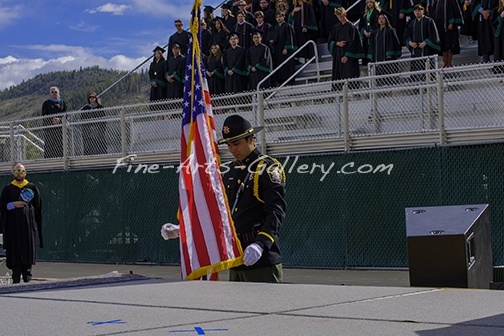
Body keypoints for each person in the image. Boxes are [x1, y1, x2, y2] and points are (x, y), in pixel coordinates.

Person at [161, 115, 286, 283]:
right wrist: (185, 229)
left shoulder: (268, 167)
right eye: (229, 144)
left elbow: (276, 212)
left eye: (236, 143)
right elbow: (220, 211)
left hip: (260, 258)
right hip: (235, 257)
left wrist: (261, 243)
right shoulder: (230, 170)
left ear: (250, 139)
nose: (232, 149)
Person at [0, 163, 43, 284]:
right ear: (13, 173)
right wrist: (13, 205)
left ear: (25, 173)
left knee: (27, 253)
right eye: (16, 171)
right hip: (13, 228)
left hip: (28, 227)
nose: (19, 173)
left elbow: (38, 207)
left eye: (21, 171)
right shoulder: (8, 189)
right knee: (15, 256)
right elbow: (2, 206)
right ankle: (15, 280)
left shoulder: (31, 187)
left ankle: (27, 280)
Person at [328, 7, 364, 90]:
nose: (340, 18)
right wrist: (337, 43)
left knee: (350, 74)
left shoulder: (352, 28)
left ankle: (354, 92)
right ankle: (339, 94)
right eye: (338, 17)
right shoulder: (335, 28)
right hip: (338, 54)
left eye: (341, 16)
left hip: (349, 56)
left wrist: (347, 55)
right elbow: (330, 41)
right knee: (338, 75)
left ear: (345, 14)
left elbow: (354, 42)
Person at [404, 4, 440, 81]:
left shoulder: (429, 21)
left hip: (427, 51)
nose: (417, 12)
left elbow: (434, 35)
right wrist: (410, 43)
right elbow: (406, 36)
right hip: (415, 51)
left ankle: (430, 88)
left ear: (423, 11)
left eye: (419, 10)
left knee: (428, 70)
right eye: (416, 11)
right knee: (416, 72)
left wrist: (426, 42)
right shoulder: (411, 23)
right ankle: (416, 90)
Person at [367, 13, 402, 86]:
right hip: (378, 57)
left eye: (383, 18)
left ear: (386, 20)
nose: (381, 20)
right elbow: (372, 45)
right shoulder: (375, 32)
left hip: (388, 58)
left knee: (388, 74)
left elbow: (394, 43)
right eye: (379, 19)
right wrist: (372, 55)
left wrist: (389, 53)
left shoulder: (390, 30)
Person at [430, 0, 464, 68]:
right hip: (439, 27)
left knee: (450, 45)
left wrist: (451, 22)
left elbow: (454, 10)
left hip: (450, 27)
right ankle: (445, 61)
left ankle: (449, 61)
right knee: (443, 45)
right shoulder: (437, 1)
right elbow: (433, 13)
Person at [269, 11, 297, 86]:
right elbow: (274, 38)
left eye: (280, 16)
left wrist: (286, 48)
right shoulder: (275, 27)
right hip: (278, 51)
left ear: (284, 17)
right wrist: (272, 42)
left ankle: (289, 82)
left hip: (285, 51)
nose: (278, 18)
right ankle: (281, 81)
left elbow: (289, 38)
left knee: (287, 66)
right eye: (277, 17)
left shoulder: (287, 26)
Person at [42, 86, 67, 158]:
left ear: (58, 94)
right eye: (52, 92)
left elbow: (66, 115)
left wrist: (59, 120)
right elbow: (44, 115)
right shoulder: (46, 103)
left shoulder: (63, 103)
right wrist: (51, 120)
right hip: (50, 129)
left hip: (60, 129)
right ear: (49, 94)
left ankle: (62, 158)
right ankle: (48, 160)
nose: (54, 93)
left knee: (61, 145)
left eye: (55, 92)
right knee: (49, 146)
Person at [359, 0, 382, 66]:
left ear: (374, 3)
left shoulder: (377, 12)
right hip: (366, 35)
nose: (369, 4)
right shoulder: (364, 13)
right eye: (368, 2)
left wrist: (371, 32)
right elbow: (361, 24)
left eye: (371, 2)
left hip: (374, 35)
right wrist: (364, 31)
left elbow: (376, 24)